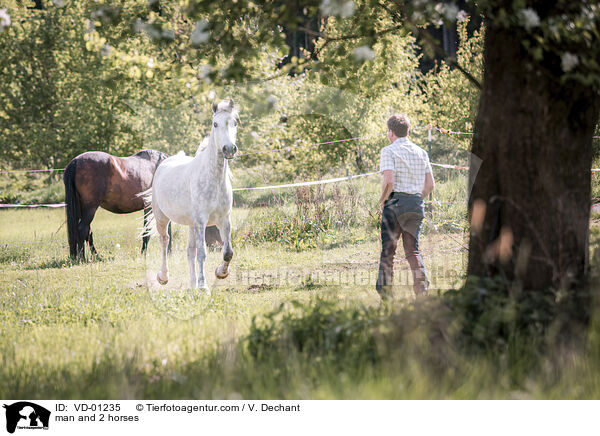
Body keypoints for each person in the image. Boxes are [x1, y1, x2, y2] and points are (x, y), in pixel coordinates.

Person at [376, 114, 435, 298]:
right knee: (412, 250)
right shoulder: (421, 152)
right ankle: (421, 290)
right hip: (415, 203)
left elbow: (389, 182)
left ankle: (386, 293)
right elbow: (431, 184)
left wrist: (383, 200)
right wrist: (417, 198)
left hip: (394, 203)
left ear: (391, 132)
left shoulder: (389, 151)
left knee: (388, 250)